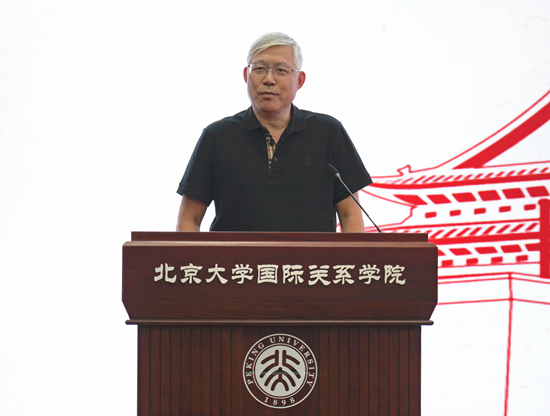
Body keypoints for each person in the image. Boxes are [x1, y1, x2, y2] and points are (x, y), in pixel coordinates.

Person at [176, 32, 372, 232]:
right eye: (259, 69)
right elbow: (189, 219)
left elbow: (350, 215)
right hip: (237, 254)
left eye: (281, 70)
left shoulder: (328, 133)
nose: (269, 79)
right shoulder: (217, 136)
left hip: (310, 255)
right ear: (246, 76)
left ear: (299, 80)